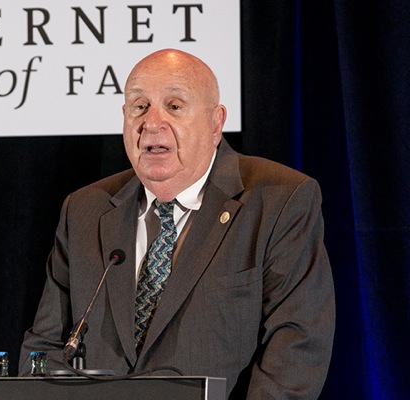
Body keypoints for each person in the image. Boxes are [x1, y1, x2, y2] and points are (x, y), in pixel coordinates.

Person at [19, 48, 335, 399]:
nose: (151, 123)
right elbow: (44, 348)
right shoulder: (85, 209)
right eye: (140, 106)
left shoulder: (278, 199)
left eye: (174, 106)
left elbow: (297, 344)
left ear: (215, 122)